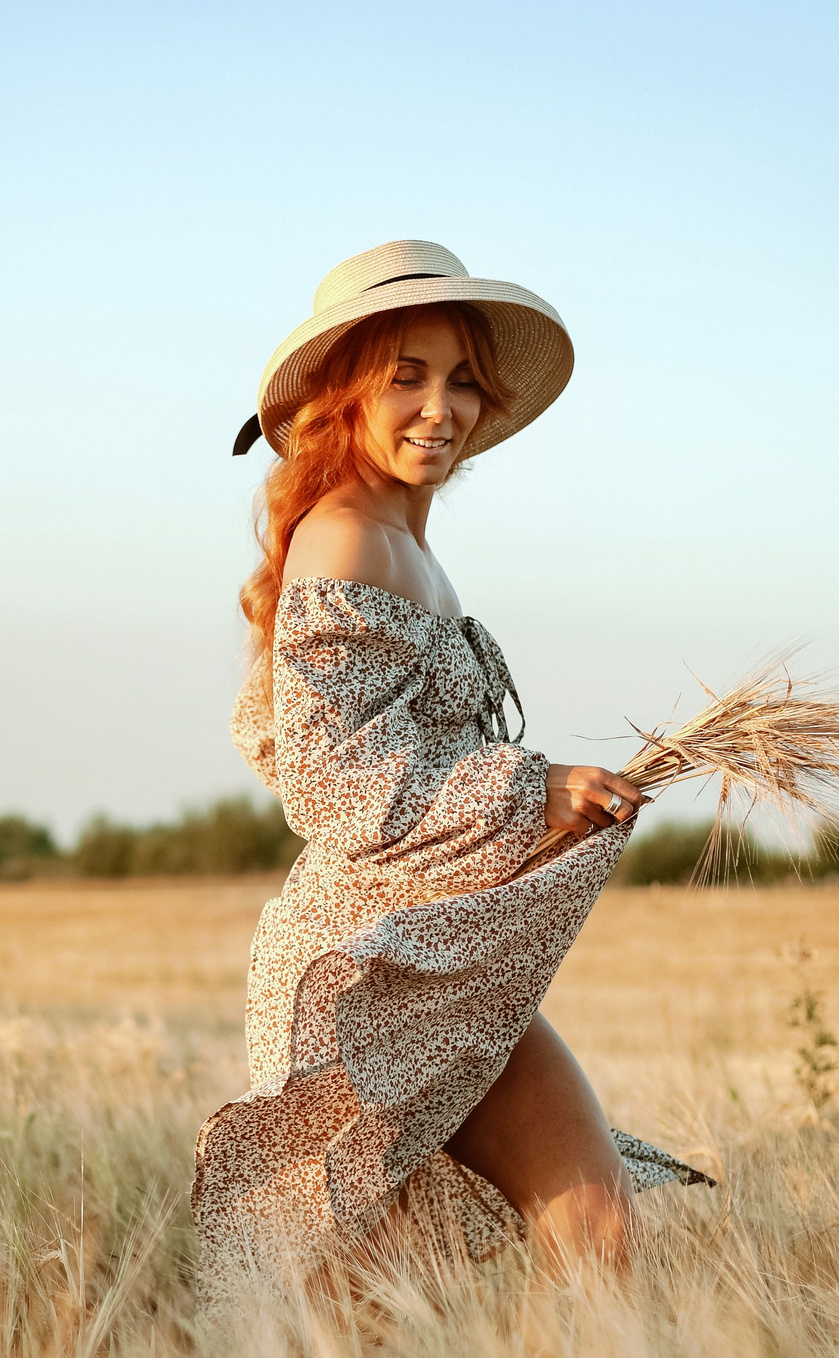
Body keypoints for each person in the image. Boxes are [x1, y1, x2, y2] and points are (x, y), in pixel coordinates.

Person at [194, 240, 711, 1297]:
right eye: (408, 377)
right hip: (364, 969)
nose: (443, 408)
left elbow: (406, 759)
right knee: (365, 1294)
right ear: (346, 394)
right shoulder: (347, 539)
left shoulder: (404, 543)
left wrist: (543, 819)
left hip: (438, 948)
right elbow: (329, 781)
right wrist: (531, 790)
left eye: (464, 379)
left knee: (591, 1221)